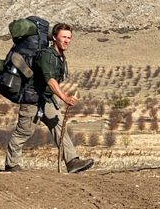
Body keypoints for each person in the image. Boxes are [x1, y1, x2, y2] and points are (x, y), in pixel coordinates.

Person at [5, 23, 95, 173]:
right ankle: (11, 164)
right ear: (54, 37)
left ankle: (72, 162)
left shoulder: (60, 56)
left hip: (46, 99)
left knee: (60, 127)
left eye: (69, 38)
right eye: (64, 37)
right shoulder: (46, 55)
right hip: (32, 98)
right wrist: (64, 97)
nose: (67, 41)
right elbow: (49, 79)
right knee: (24, 132)